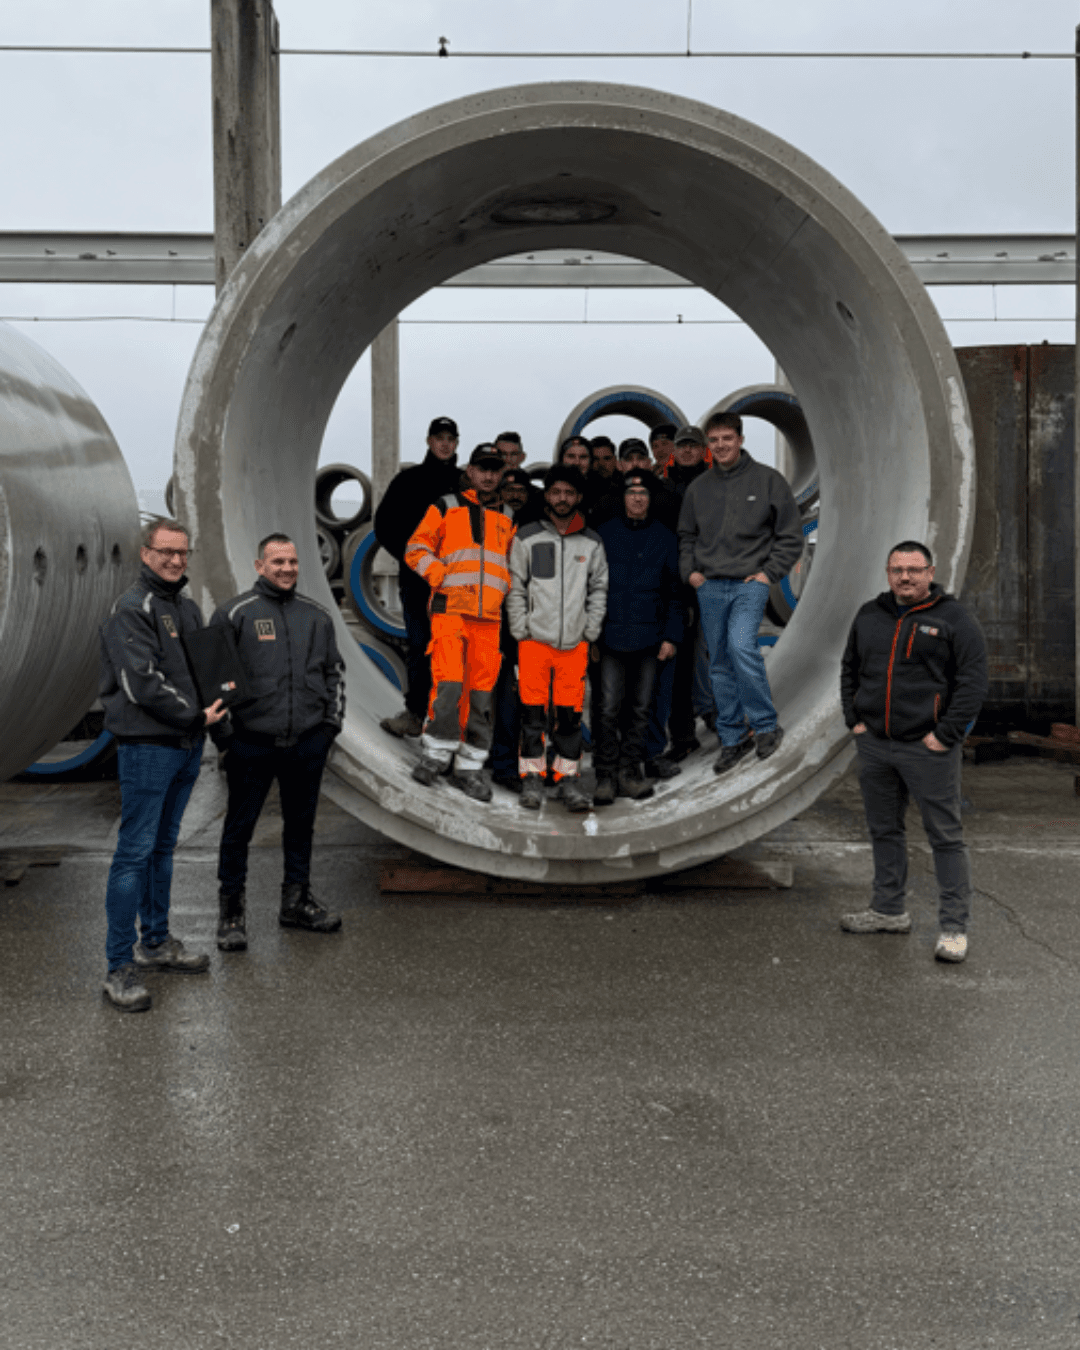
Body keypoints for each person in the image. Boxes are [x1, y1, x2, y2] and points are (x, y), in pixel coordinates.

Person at [98, 519, 228, 1012]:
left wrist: (218, 710)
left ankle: (155, 942)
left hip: (186, 745)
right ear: (145, 553)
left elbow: (203, 670)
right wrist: (195, 715)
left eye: (182, 552)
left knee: (162, 848)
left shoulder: (186, 608)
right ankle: (118, 967)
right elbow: (142, 684)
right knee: (133, 853)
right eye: (166, 552)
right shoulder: (133, 609)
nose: (176, 560)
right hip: (148, 747)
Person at [839, 541, 988, 963]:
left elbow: (973, 682)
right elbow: (849, 668)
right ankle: (888, 910)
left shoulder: (953, 619)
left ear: (930, 572)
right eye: (897, 569)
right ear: (888, 573)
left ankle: (954, 928)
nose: (905, 577)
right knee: (884, 829)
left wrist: (945, 735)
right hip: (875, 744)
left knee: (945, 836)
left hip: (927, 748)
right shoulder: (870, 614)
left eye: (914, 570)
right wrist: (854, 719)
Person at [210, 533, 346, 950]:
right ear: (259, 566)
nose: (287, 569)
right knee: (239, 829)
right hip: (252, 743)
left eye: (292, 562)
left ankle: (296, 902)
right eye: (277, 562)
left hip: (305, 742)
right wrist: (226, 739)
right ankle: (232, 913)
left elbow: (335, 674)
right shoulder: (234, 614)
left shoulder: (317, 616)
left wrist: (329, 728)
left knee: (301, 825)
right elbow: (213, 681)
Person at [678, 411, 803, 774]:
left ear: (740, 440)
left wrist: (768, 575)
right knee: (718, 663)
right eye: (714, 440)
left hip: (750, 584)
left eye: (727, 439)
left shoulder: (768, 481)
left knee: (742, 647)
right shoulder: (699, 488)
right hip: (710, 586)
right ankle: (732, 737)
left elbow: (790, 535)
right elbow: (686, 536)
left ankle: (764, 725)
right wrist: (691, 574)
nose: (721, 446)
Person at [406, 445, 516, 801]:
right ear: (470, 471)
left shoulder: (508, 516)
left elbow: (512, 566)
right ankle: (436, 755)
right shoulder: (445, 506)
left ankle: (469, 767)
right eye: (483, 468)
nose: (489, 475)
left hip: (489, 619)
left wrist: (504, 595)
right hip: (451, 610)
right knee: (449, 685)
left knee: (480, 695)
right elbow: (415, 548)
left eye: (495, 469)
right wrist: (440, 575)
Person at [506, 464, 608, 812]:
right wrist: (521, 628)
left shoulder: (591, 542)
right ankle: (532, 779)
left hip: (574, 646)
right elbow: (515, 586)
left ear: (578, 497)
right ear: (546, 495)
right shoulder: (527, 537)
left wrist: (589, 630)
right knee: (532, 717)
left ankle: (568, 782)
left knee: (569, 719)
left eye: (569, 493)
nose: (562, 498)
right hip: (534, 643)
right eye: (556, 492)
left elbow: (599, 588)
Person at [593, 472, 682, 804]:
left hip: (649, 638)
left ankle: (629, 772)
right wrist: (591, 635)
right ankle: (605, 774)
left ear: (650, 499)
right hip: (610, 638)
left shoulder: (664, 537)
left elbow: (675, 592)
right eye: (632, 493)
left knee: (641, 708)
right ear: (624, 498)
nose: (638, 498)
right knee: (607, 707)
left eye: (643, 493)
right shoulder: (605, 535)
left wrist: (671, 636)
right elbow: (591, 586)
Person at [373, 416, 461, 739]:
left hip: (455, 585)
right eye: (439, 438)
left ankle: (449, 723)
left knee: (452, 652)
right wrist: (414, 560)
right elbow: (384, 525)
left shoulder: (463, 483)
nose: (444, 444)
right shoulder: (407, 481)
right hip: (417, 582)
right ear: (429, 441)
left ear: (456, 443)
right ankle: (415, 714)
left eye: (450, 439)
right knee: (420, 645)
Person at [647, 424, 713, 768]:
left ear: (703, 450)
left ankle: (723, 719)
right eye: (682, 446)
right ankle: (684, 736)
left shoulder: (715, 484)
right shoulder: (664, 486)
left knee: (718, 654)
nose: (687, 451)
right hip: (677, 584)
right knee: (680, 663)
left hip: (711, 579)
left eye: (693, 446)